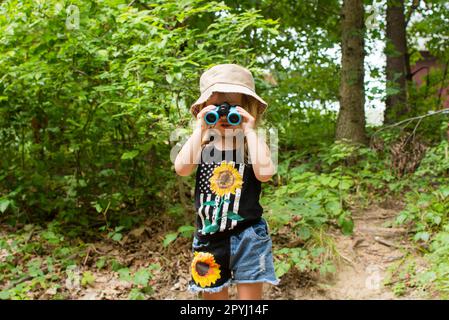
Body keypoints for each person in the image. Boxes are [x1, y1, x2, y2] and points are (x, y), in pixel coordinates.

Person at [174, 64, 279, 300]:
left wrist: (250, 131)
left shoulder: (251, 145)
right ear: (203, 108)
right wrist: (201, 128)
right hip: (208, 238)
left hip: (250, 237)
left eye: (233, 106)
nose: (224, 113)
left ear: (247, 108)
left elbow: (265, 173)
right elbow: (181, 168)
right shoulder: (202, 146)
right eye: (216, 106)